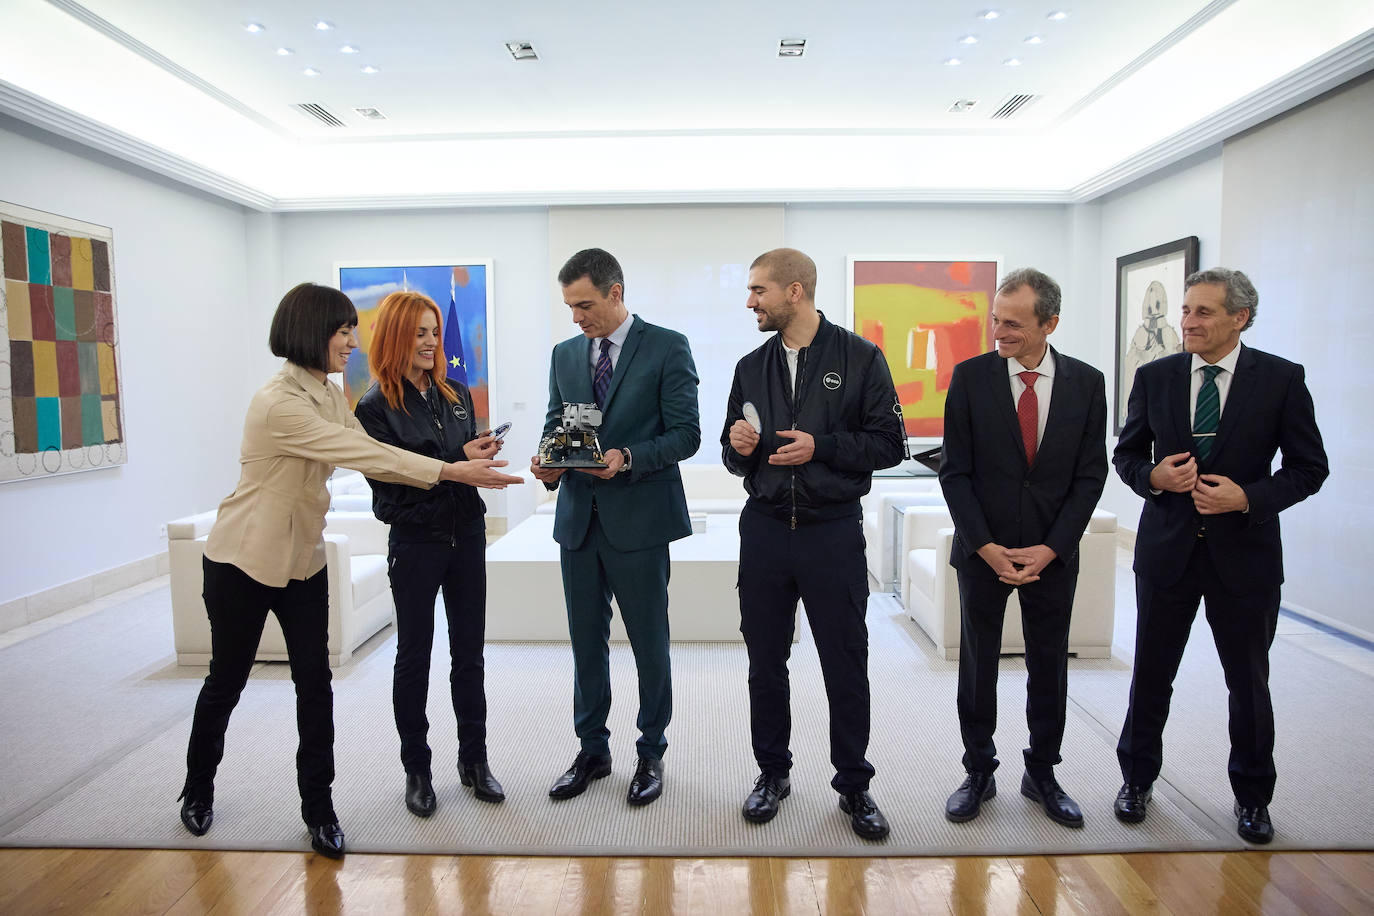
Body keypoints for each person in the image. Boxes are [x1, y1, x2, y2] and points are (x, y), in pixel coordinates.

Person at [179, 283, 521, 859]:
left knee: (315, 686)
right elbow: (372, 457)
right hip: (244, 560)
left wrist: (453, 461)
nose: (350, 341)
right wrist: (453, 472)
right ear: (313, 333)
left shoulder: (330, 394)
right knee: (226, 682)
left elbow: (385, 451)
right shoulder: (279, 403)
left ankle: (319, 810)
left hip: (304, 561)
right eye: (342, 332)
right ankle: (197, 788)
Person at [1112, 267, 1327, 844]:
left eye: (1203, 312)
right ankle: (1136, 780)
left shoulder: (1281, 380)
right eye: (1186, 310)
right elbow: (1127, 454)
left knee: (1248, 683)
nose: (1188, 321)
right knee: (1151, 676)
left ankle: (1253, 799)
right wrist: (1152, 477)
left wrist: (1249, 497)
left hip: (1246, 558)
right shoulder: (1155, 376)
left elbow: (1310, 469)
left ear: (1240, 318)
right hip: (1165, 553)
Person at [722, 247, 905, 841]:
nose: (750, 301)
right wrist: (738, 446)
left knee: (845, 663)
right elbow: (730, 458)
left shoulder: (861, 357)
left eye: (759, 291)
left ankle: (854, 783)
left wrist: (821, 446)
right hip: (767, 532)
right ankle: (772, 774)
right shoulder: (751, 366)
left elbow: (889, 445)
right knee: (765, 663)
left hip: (832, 535)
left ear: (794, 292)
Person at [937, 268, 1108, 829]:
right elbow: (955, 474)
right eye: (995, 320)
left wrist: (1053, 549)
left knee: (1048, 665)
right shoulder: (969, 378)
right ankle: (979, 770)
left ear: (1049, 323)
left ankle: (1042, 773)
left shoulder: (1087, 383)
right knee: (978, 664)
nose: (999, 333)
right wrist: (984, 545)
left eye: (1013, 324)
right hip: (983, 553)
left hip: (1050, 556)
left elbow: (1089, 477)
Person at [529, 248, 700, 807]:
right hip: (579, 520)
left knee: (650, 643)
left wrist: (628, 456)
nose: (577, 317)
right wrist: (548, 463)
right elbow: (558, 424)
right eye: (569, 307)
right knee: (585, 643)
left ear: (616, 293)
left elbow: (686, 435)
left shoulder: (667, 346)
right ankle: (592, 749)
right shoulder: (564, 354)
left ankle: (651, 751)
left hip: (641, 518)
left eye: (584, 305)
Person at [353, 290, 509, 818]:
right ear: (396, 336)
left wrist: (471, 457)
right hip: (416, 546)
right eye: (419, 332)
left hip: (466, 538)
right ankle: (417, 771)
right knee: (413, 658)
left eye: (434, 331)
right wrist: (454, 466)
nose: (430, 341)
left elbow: (453, 467)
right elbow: (390, 497)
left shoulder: (457, 393)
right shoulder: (374, 408)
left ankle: (475, 761)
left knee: (469, 657)